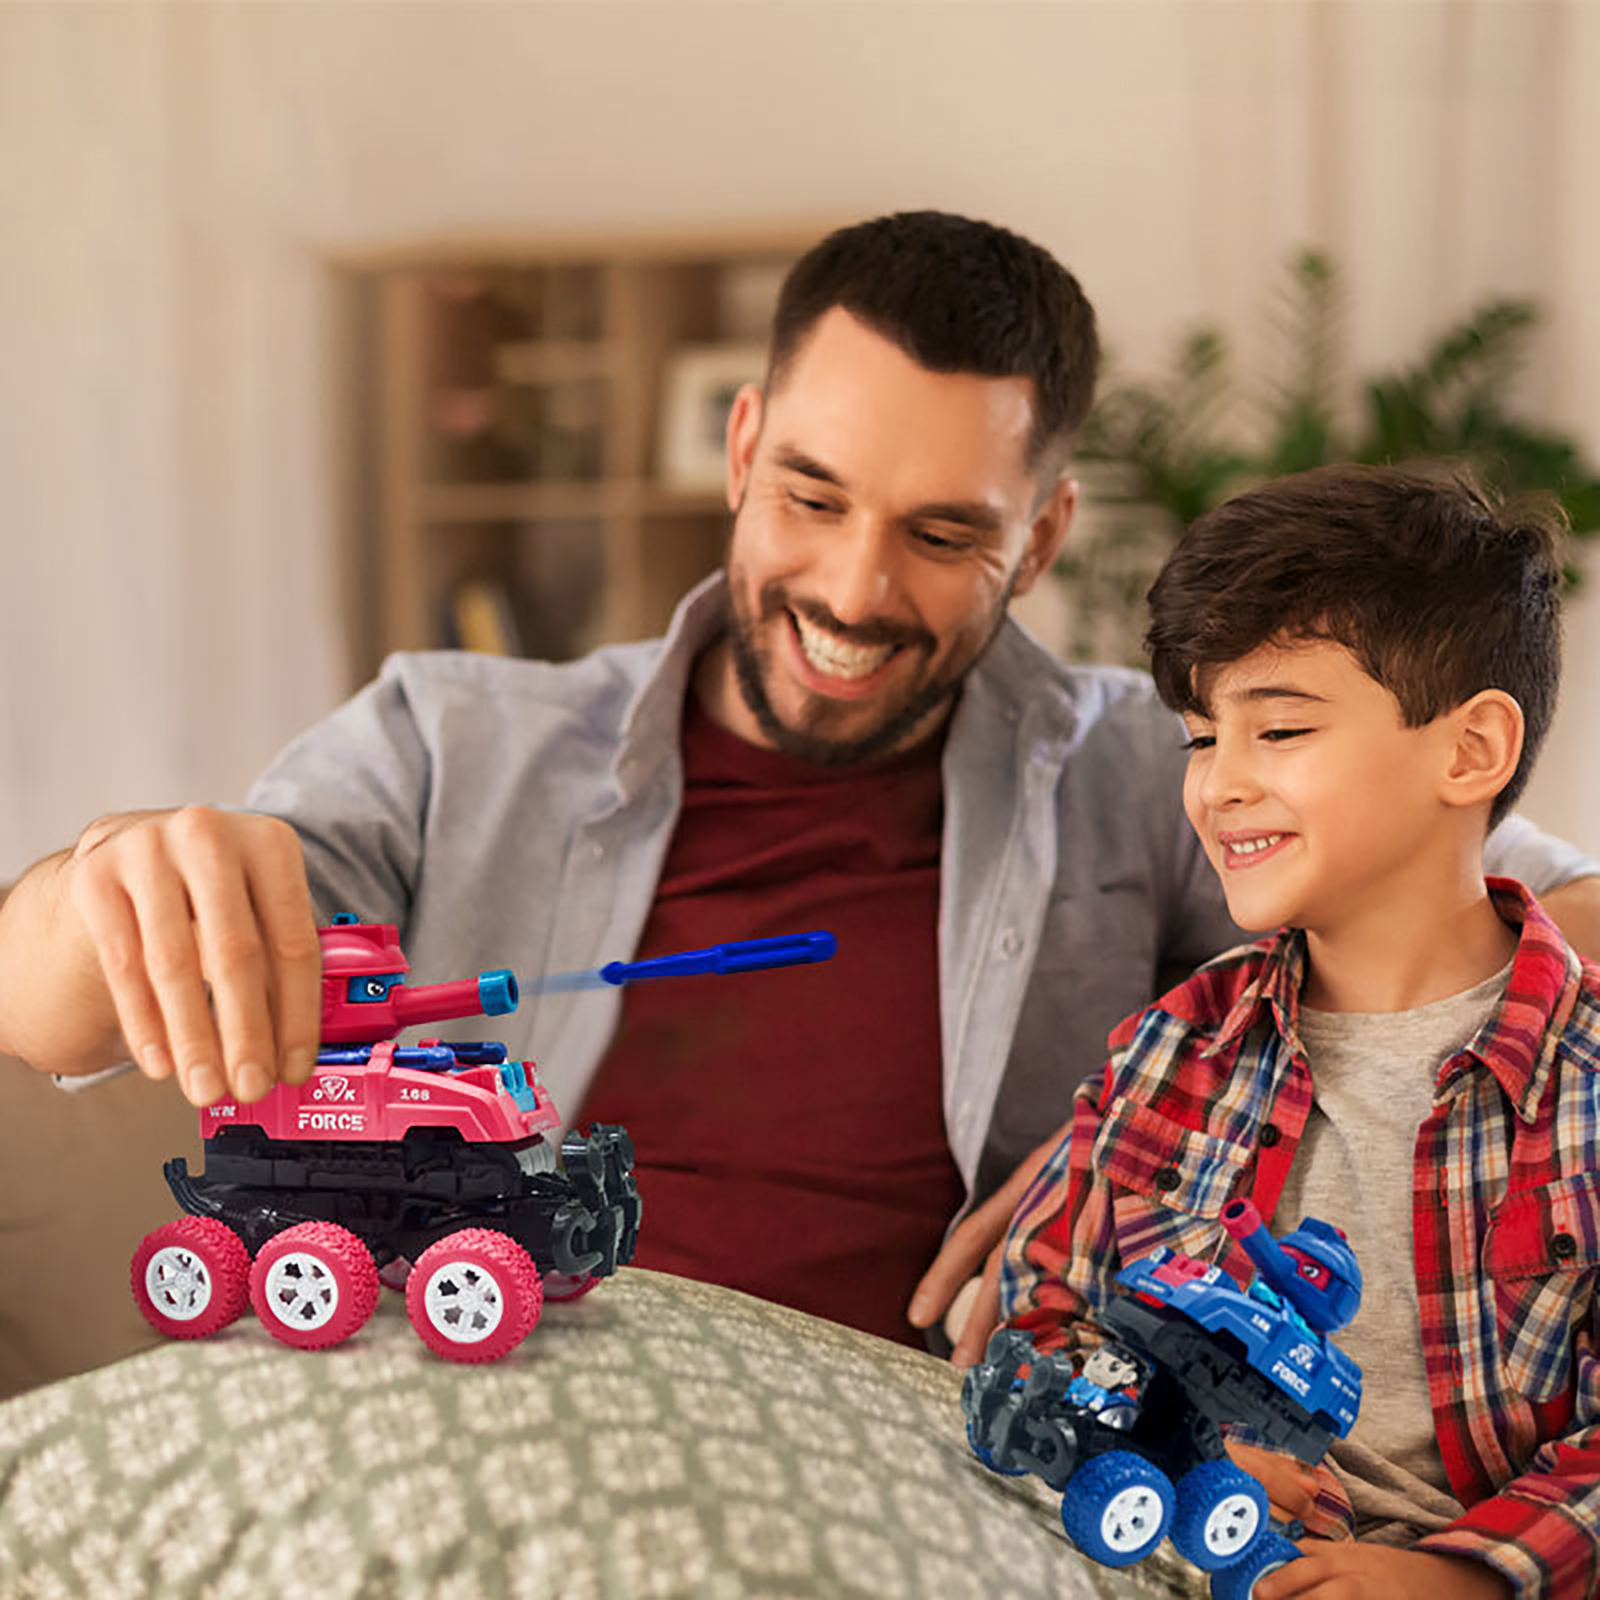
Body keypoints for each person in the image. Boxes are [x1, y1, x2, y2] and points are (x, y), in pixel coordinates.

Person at [2, 215, 1597, 1358]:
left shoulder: (1151, 770)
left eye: (943, 534)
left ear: (1042, 537)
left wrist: (1141, 1159)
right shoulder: (448, 738)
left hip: (889, 1466)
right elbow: (43, 1015)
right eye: (812, 497)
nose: (850, 590)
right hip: (478, 1412)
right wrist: (110, 884)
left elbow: (1543, 921)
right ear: (742, 444)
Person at [1001, 464, 1598, 1597]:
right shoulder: (1169, 1054)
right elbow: (1042, 1319)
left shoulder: (1586, 1083)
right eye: (1199, 739)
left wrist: (1464, 1578)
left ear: (1470, 750)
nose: (1218, 787)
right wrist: (1172, 1440)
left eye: (1277, 729)